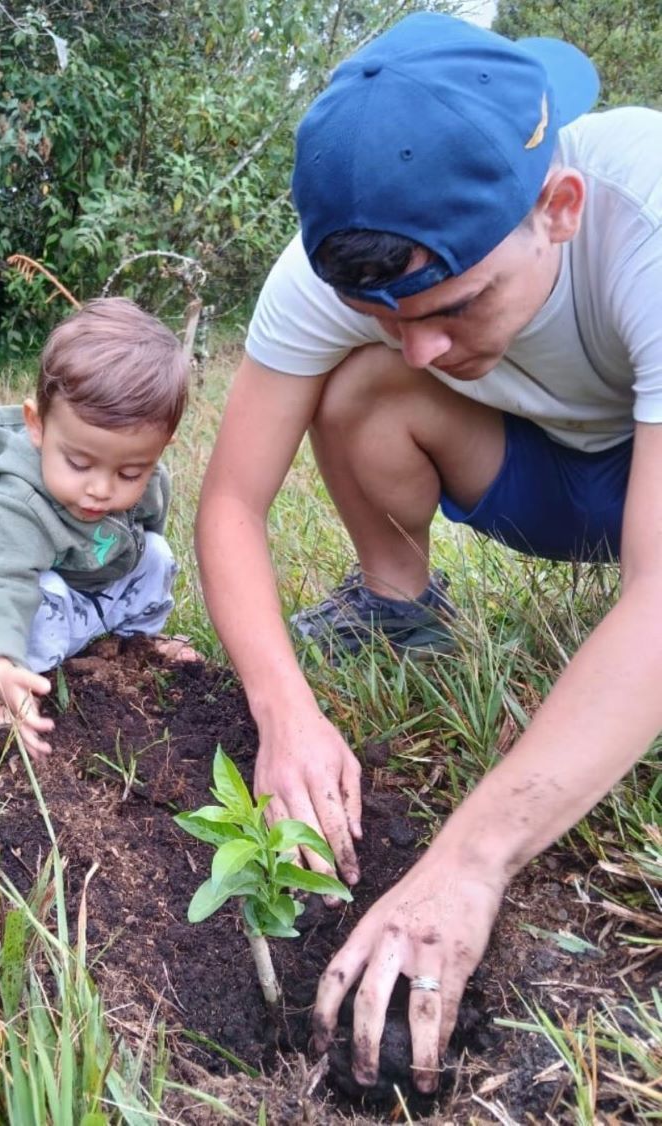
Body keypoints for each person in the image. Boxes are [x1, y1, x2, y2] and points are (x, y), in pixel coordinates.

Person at [195, 10, 662, 1096]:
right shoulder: (328, 267)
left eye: (452, 306)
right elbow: (229, 501)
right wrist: (284, 712)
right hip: (544, 474)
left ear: (557, 209)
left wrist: (466, 860)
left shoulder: (646, 213)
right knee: (357, 390)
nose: (424, 347)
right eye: (382, 311)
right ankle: (399, 608)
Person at [0, 297, 194, 757]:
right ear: (38, 426)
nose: (101, 490)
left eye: (130, 473)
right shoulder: (12, 502)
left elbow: (144, 539)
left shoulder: (150, 482)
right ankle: (8, 681)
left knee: (157, 555)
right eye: (79, 463)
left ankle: (134, 643)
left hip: (79, 584)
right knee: (41, 597)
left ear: (161, 449)